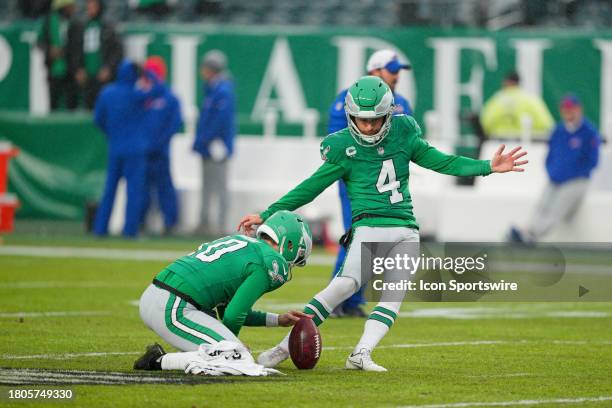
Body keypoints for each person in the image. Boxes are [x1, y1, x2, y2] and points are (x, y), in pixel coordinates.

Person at [239, 76, 528, 372]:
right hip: (369, 227)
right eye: (361, 120)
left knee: (393, 295)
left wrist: (487, 167)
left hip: (406, 229)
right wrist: (268, 213)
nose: (368, 127)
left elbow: (442, 161)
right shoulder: (342, 147)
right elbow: (310, 186)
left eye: (375, 120)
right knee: (343, 286)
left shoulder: (403, 131)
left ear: (388, 114)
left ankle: (361, 353)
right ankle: (281, 349)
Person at [134, 211, 313, 373]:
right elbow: (234, 314)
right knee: (238, 358)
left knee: (232, 354)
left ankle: (204, 355)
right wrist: (231, 348)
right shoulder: (272, 261)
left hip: (157, 298)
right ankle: (159, 360)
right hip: (175, 307)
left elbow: (229, 310)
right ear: (289, 244)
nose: (291, 265)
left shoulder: (243, 242)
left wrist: (278, 320)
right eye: (296, 259)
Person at [327, 49, 412, 318]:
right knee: (356, 238)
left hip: (387, 183)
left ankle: (353, 301)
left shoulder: (402, 103)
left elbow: (409, 140)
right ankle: (336, 299)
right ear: (375, 71)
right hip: (358, 181)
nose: (397, 75)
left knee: (376, 243)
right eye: (392, 69)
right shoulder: (347, 100)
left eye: (398, 70)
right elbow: (338, 143)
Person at [510, 94, 600, 243]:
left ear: (579, 110)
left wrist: (573, 174)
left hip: (577, 180)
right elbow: (550, 155)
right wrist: (553, 172)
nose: (568, 113)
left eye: (571, 109)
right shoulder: (558, 131)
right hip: (556, 179)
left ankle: (532, 235)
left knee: (557, 208)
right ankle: (527, 231)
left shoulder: (588, 132)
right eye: (565, 109)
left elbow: (592, 161)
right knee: (542, 205)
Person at [92, 59, 162, 238]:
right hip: (136, 149)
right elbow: (160, 89)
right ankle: (130, 230)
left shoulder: (107, 93)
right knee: (134, 191)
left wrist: (111, 134)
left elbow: (97, 119)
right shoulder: (136, 93)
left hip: (116, 147)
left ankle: (100, 229)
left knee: (109, 190)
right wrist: (148, 73)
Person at [193, 50, 236, 236]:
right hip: (209, 147)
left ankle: (221, 226)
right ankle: (205, 223)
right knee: (208, 187)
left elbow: (219, 122)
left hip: (216, 147)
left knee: (219, 187)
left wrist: (204, 139)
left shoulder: (222, 91)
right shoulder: (213, 90)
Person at [140, 56, 183, 236]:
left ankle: (170, 223)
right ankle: (140, 222)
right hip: (143, 152)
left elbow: (175, 124)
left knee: (164, 189)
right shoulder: (141, 96)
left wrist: (158, 143)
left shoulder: (169, 98)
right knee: (142, 189)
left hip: (160, 152)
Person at [74, 0, 123, 110]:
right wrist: (78, 68)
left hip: (102, 76)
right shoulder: (82, 26)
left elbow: (117, 50)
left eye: (93, 5)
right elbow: (76, 50)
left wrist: (108, 68)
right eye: (89, 5)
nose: (90, 8)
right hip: (87, 76)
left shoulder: (108, 26)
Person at [480, 71, 554, 140]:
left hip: (498, 142)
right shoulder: (530, 99)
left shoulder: (496, 100)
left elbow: (485, 123)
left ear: (504, 82)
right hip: (527, 143)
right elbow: (546, 124)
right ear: (519, 83)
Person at [37, 0, 81, 110]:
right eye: (70, 6)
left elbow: (79, 45)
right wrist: (49, 50)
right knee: (54, 103)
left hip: (71, 69)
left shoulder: (76, 22)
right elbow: (39, 42)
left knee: (72, 104)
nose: (73, 9)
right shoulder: (49, 21)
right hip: (54, 69)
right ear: (63, 7)